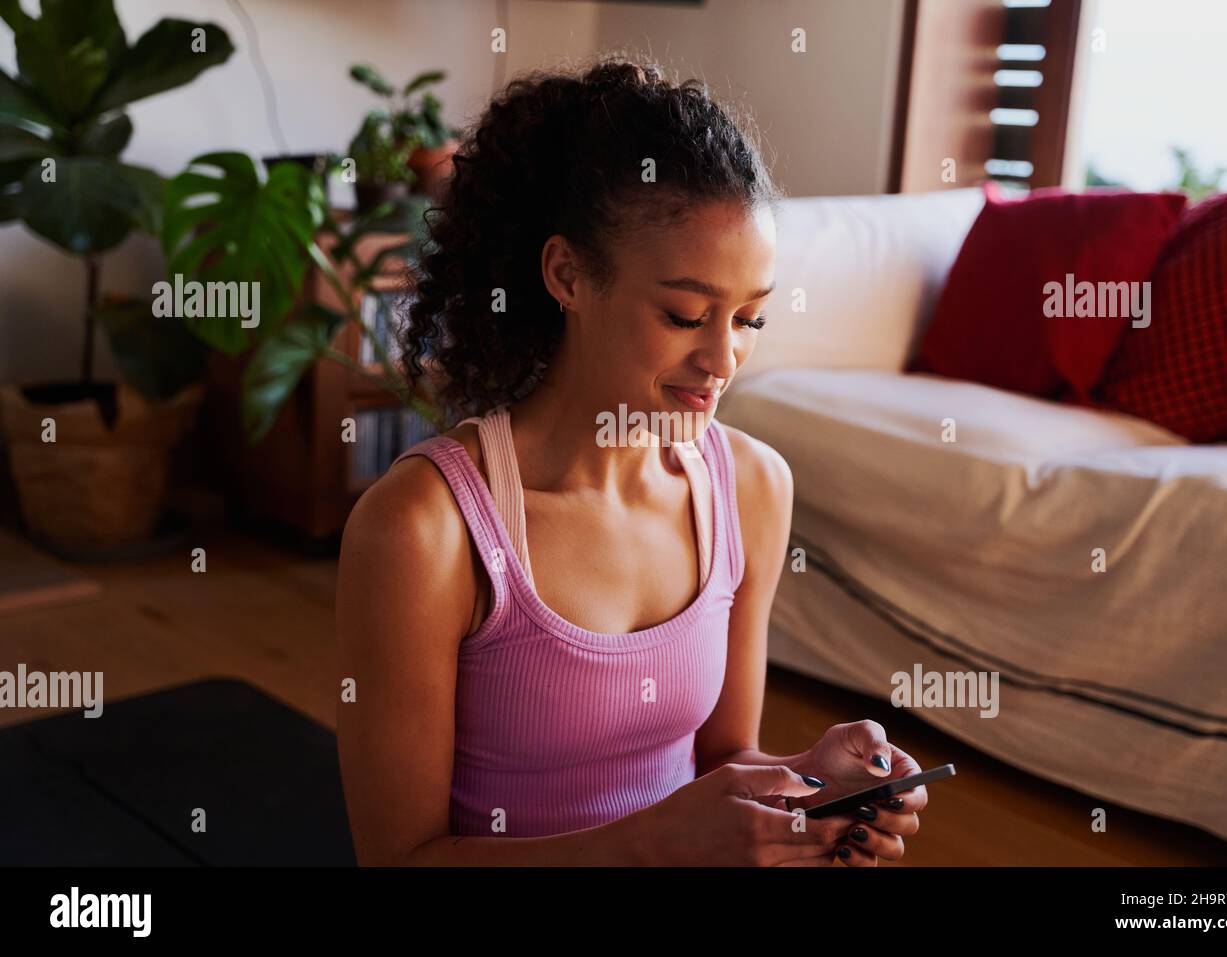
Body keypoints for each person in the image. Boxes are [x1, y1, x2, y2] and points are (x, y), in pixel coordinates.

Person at [335, 54, 928, 866]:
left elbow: (723, 763)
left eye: (749, 319)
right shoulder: (425, 528)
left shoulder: (751, 488)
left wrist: (812, 788)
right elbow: (399, 857)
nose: (723, 358)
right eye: (686, 314)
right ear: (567, 274)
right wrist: (647, 845)